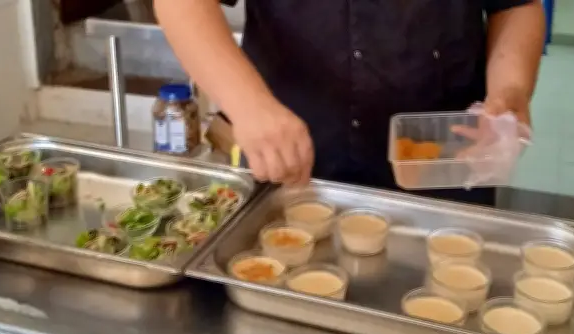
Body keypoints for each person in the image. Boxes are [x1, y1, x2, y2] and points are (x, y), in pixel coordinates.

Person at [155, 0, 545, 206]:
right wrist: (249, 105)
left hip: (443, 161)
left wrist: (510, 91)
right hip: (292, 160)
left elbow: (515, 5)